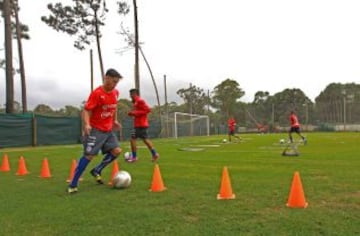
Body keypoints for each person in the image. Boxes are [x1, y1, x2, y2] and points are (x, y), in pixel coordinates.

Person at [67, 68, 123, 194]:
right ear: (106, 78)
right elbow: (86, 110)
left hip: (108, 130)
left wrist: (115, 120)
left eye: (116, 82)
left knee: (117, 151)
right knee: (89, 155)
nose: (114, 85)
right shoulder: (97, 93)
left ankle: (97, 170)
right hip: (96, 130)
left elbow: (114, 107)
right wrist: (87, 124)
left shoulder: (115, 92)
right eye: (113, 81)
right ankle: (73, 183)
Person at [126, 88, 159, 163]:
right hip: (140, 124)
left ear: (134, 94)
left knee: (132, 139)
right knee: (145, 140)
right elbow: (140, 111)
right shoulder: (136, 102)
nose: (130, 96)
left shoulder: (140, 101)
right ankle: (154, 154)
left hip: (140, 124)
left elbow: (148, 110)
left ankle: (134, 157)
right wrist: (132, 113)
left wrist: (134, 113)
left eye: (131, 94)